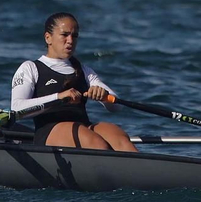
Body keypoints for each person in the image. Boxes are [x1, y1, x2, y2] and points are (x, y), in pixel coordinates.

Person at [10, 12, 137, 151]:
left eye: (74, 36)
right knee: (96, 144)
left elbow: (117, 107)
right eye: (64, 35)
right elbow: (17, 109)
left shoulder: (84, 71)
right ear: (48, 38)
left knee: (118, 137)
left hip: (83, 128)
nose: (70, 40)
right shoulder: (30, 68)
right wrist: (59, 97)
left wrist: (104, 96)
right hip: (50, 131)